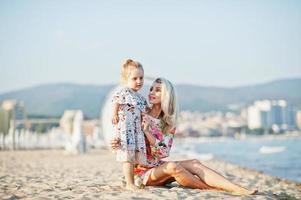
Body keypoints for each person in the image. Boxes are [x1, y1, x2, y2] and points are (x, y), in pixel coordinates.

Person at [111, 77, 257, 195]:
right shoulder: (140, 113)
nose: (151, 92)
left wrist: (148, 133)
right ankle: (213, 189)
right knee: (173, 166)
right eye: (151, 89)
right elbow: (125, 134)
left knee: (194, 162)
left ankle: (236, 188)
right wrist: (117, 142)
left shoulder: (167, 122)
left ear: (166, 95)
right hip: (140, 173)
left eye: (157, 90)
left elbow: (163, 153)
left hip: (156, 166)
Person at [111, 59, 148, 191]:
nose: (139, 81)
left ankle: (134, 180)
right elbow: (115, 101)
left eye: (141, 78)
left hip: (136, 131)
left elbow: (143, 112)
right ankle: (129, 183)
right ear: (126, 79)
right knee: (127, 157)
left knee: (136, 157)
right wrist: (114, 114)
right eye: (135, 78)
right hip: (126, 130)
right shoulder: (124, 92)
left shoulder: (140, 97)